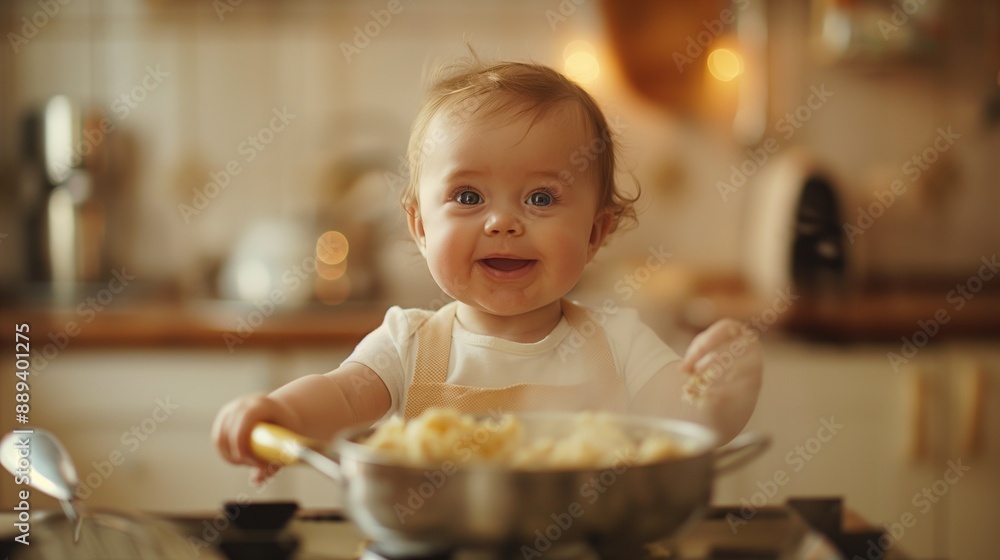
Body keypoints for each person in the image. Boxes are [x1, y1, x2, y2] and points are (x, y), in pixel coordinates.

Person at [213, 57, 762, 482]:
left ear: (596, 232)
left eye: (542, 198)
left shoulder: (621, 344)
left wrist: (721, 394)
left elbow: (689, 425)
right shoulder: (408, 343)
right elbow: (342, 396)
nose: (503, 222)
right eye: (469, 195)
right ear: (420, 225)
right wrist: (281, 410)